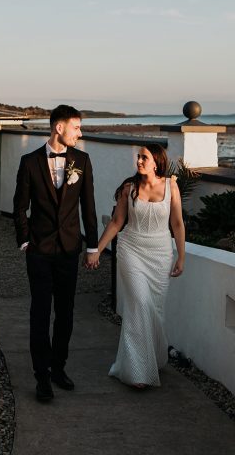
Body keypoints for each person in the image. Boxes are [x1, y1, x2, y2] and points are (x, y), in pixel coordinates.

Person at [13, 104, 99, 402]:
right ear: (58, 128)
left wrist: (92, 246)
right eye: (76, 127)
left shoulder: (82, 160)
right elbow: (19, 206)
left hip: (69, 250)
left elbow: (88, 205)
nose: (80, 132)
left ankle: (58, 367)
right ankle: (41, 377)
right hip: (39, 251)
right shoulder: (30, 162)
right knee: (40, 313)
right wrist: (25, 241)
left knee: (65, 313)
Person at [90, 143, 186, 388]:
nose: (139, 161)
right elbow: (116, 222)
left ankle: (155, 357)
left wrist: (181, 256)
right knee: (139, 305)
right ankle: (137, 371)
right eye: (138, 157)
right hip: (131, 250)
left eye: (144, 157)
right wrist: (97, 250)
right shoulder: (129, 189)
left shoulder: (171, 186)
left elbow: (177, 224)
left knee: (155, 311)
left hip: (160, 254)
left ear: (157, 162)